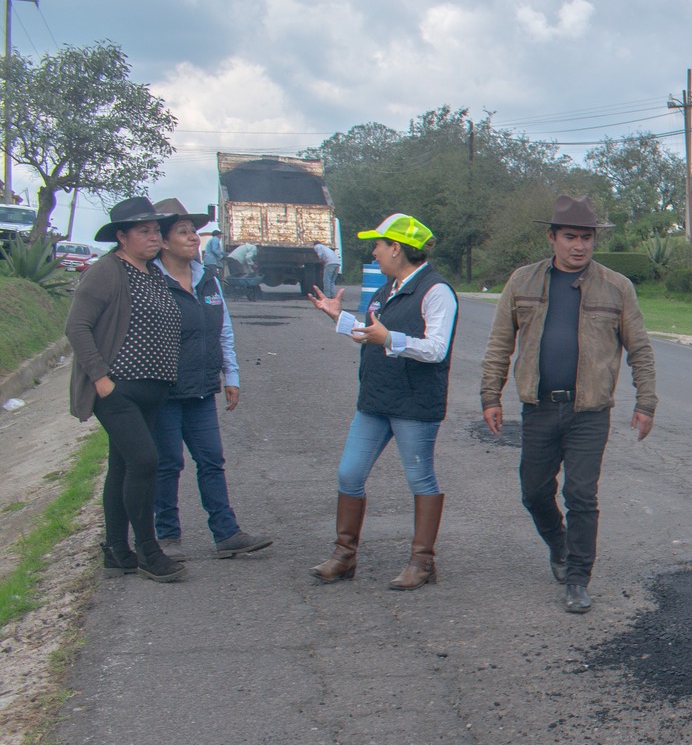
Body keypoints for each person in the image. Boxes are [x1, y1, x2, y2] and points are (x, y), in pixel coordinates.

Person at [479, 193, 657, 614]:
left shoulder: (617, 287)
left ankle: (578, 578)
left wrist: (646, 401)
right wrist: (491, 395)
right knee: (534, 492)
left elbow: (641, 349)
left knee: (581, 495)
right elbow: (500, 344)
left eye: (587, 238)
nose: (579, 246)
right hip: (539, 407)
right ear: (552, 237)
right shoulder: (522, 281)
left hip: (589, 411)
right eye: (571, 237)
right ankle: (559, 545)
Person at [306, 213, 457, 589]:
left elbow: (436, 350)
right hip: (375, 400)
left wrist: (391, 339)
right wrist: (339, 317)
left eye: (378, 244)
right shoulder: (386, 289)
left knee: (420, 478)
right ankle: (344, 556)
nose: (373, 251)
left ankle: (422, 563)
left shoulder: (437, 291)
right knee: (349, 473)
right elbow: (369, 333)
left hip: (414, 403)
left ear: (397, 248)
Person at [64, 197, 187, 582]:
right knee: (145, 462)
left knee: (122, 467)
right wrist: (101, 379)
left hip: (151, 390)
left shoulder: (152, 272)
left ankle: (116, 551)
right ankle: (149, 551)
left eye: (155, 230)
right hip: (118, 391)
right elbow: (77, 326)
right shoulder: (107, 271)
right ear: (122, 236)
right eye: (143, 231)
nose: (153, 237)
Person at [146, 199, 270, 561]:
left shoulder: (208, 279)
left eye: (194, 232)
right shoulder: (150, 280)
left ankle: (226, 533)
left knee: (212, 460)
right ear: (164, 242)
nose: (193, 239)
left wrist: (231, 374)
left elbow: (223, 330)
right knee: (168, 463)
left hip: (201, 388)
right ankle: (167, 537)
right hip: (164, 390)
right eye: (183, 232)